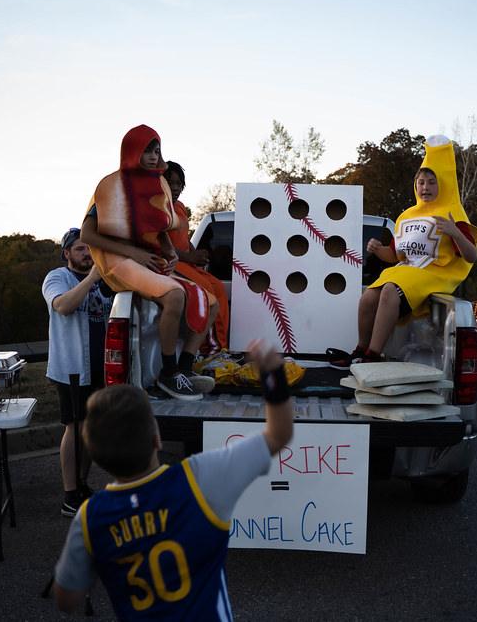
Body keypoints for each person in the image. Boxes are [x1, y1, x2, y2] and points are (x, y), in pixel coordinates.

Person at [53, 338, 294, 618]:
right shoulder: (202, 479)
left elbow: (66, 598)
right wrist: (273, 375)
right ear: (157, 438)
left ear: (95, 454)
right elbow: (279, 434)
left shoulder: (91, 517)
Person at [81, 125, 219, 402]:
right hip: (116, 261)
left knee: (210, 301)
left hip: (146, 260)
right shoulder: (109, 186)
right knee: (174, 295)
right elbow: (87, 234)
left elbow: (161, 231)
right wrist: (134, 254)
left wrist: (171, 256)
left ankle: (184, 369)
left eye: (157, 150)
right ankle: (169, 374)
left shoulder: (158, 185)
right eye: (148, 150)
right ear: (132, 151)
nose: (154, 156)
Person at [332, 135, 477, 369]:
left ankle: (373, 355)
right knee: (369, 296)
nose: (425, 187)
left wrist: (455, 232)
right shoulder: (406, 215)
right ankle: (360, 349)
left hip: (434, 274)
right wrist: (379, 250)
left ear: (443, 184)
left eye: (432, 182)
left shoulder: (452, 212)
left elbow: (471, 256)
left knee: (390, 290)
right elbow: (396, 256)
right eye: (421, 182)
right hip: (406, 272)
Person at [43, 227, 115, 517]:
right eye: (80, 249)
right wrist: (92, 279)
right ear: (67, 254)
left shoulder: (106, 279)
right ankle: (69, 496)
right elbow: (62, 306)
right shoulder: (57, 278)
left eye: (90, 248)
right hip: (72, 367)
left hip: (102, 366)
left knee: (90, 429)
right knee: (74, 426)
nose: (87, 253)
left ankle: (83, 486)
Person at [163, 160, 232, 356]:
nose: (175, 188)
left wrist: (194, 254)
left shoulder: (181, 207)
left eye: (179, 183)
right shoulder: (158, 209)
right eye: (170, 182)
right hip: (170, 264)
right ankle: (208, 351)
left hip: (186, 262)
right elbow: (159, 248)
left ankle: (220, 348)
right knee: (207, 292)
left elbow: (184, 239)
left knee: (218, 287)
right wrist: (190, 256)